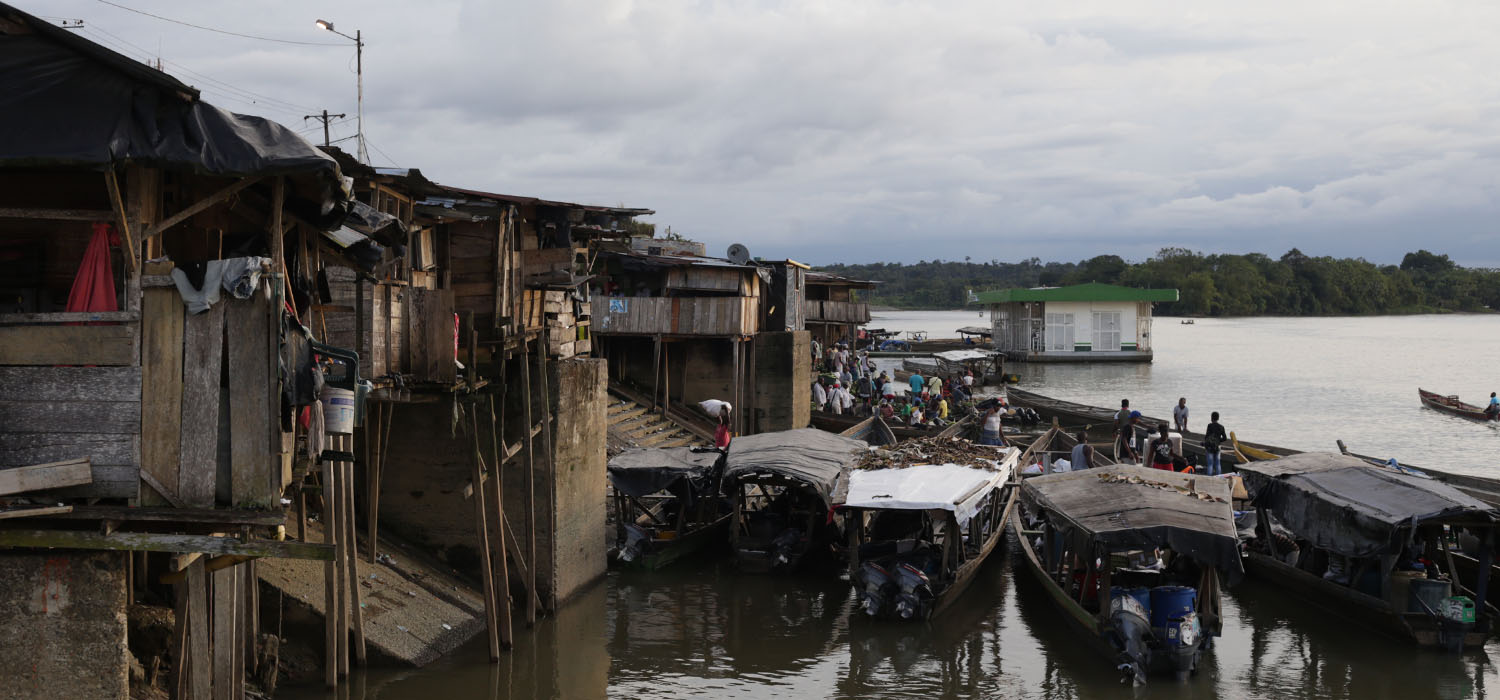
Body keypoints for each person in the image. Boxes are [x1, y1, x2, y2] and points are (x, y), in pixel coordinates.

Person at [1203, 411, 1227, 476]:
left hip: (1210, 448)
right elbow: (1225, 438)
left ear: (1211, 418)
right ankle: (1219, 477)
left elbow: (1206, 437)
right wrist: (1218, 441)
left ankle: (1209, 478)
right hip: (1217, 447)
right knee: (1218, 464)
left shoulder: (1210, 426)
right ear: (1218, 418)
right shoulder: (1221, 427)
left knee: (1210, 464)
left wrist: (1205, 443)